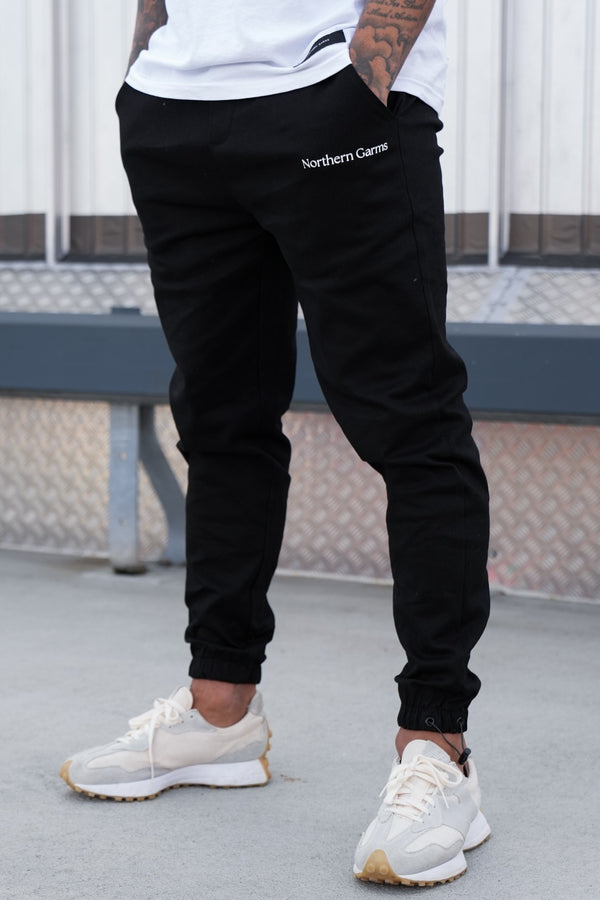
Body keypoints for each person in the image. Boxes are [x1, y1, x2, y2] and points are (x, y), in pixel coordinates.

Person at [60, 0, 492, 886]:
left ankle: (438, 746)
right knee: (219, 420)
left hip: (334, 92)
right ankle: (220, 713)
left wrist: (363, 81)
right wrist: (147, 68)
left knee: (409, 422)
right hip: (175, 113)